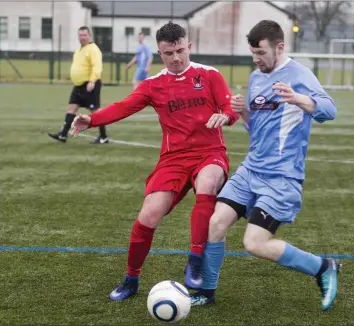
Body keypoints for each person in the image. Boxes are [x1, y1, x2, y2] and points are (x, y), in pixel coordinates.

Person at [71, 22, 240, 301]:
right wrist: (92, 119)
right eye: (168, 53)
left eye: (180, 51)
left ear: (189, 47)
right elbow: (123, 107)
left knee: (208, 183)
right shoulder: (154, 85)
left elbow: (227, 106)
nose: (176, 58)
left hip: (210, 152)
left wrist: (228, 116)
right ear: (159, 53)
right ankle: (131, 279)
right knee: (148, 216)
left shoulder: (209, 75)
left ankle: (195, 260)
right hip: (173, 160)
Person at [190, 20, 341, 311]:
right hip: (251, 169)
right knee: (216, 222)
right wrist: (243, 111)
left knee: (255, 243)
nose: (256, 59)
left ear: (280, 47)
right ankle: (206, 293)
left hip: (282, 176)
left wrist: (299, 99)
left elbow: (330, 110)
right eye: (253, 54)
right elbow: (256, 129)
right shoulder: (257, 77)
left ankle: (323, 267)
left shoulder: (299, 74)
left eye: (261, 53)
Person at [48, 26, 108, 144]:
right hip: (78, 86)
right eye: (80, 35)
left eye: (85, 35)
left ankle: (103, 137)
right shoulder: (79, 49)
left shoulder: (93, 49)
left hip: (90, 84)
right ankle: (63, 135)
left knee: (95, 111)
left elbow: (97, 67)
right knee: (71, 108)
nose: (82, 37)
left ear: (89, 36)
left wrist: (92, 81)